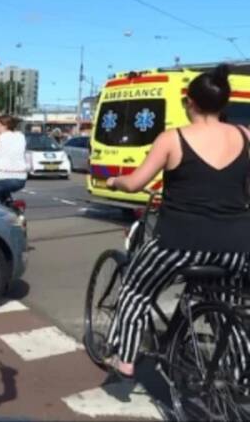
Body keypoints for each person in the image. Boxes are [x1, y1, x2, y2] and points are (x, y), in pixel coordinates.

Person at [105, 64, 250, 378]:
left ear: (190, 102)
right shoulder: (246, 136)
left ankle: (125, 358)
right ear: (224, 104)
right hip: (235, 246)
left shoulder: (172, 139)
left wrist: (115, 182)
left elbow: (135, 183)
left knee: (135, 291)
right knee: (225, 309)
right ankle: (239, 370)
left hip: (179, 242)